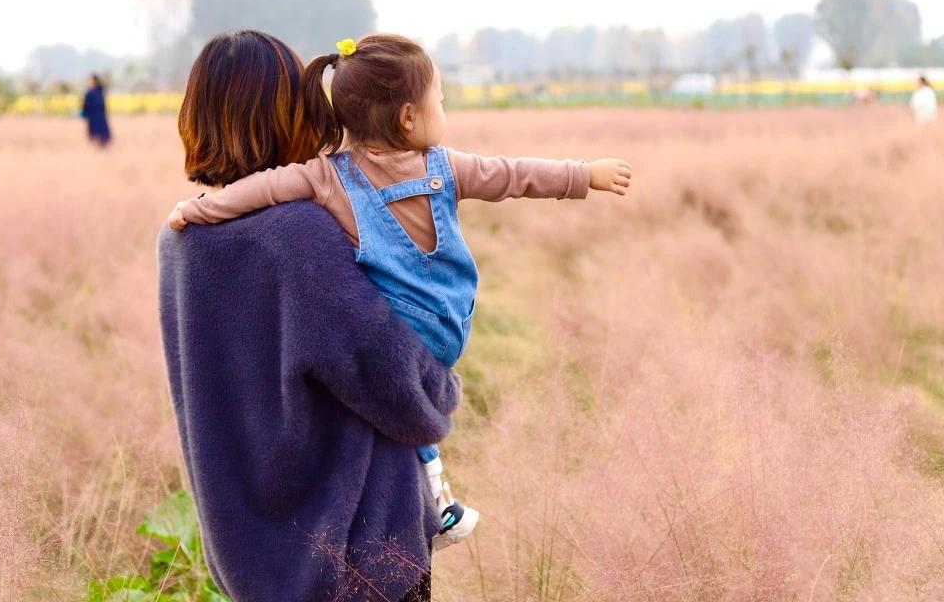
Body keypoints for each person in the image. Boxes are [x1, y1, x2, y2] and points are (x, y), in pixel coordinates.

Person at [167, 33, 632, 546]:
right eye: (440, 100)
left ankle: (439, 496)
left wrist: (198, 210)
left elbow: (264, 190)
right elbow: (512, 176)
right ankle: (439, 501)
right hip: (373, 501)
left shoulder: (200, 236)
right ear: (408, 117)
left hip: (258, 519)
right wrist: (582, 176)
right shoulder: (313, 224)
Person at [158, 30, 461, 601]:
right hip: (357, 555)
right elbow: (389, 375)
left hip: (250, 559)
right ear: (287, 112)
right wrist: (441, 387)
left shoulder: (181, 238)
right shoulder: (296, 233)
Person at [80, 73, 112, 146]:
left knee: (98, 129)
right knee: (97, 129)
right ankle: (100, 141)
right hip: (95, 114)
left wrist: (84, 111)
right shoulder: (98, 91)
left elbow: (87, 104)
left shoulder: (95, 92)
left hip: (97, 114)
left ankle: (101, 141)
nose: (89, 82)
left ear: (94, 81)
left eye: (90, 80)